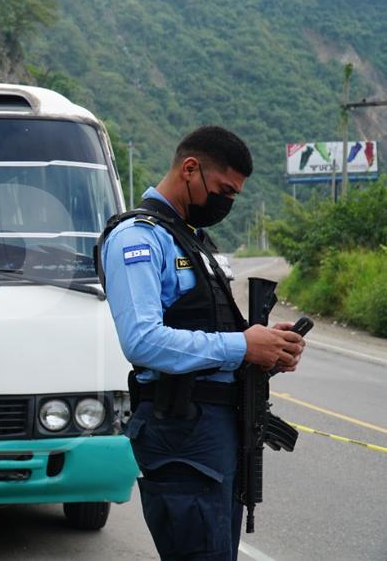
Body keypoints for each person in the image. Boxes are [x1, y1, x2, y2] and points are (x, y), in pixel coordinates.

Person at [97, 126, 305, 560]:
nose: (227, 203)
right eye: (224, 190)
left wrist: (267, 348)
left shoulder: (193, 241)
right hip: (181, 432)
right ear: (190, 169)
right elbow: (142, 341)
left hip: (213, 432)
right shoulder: (138, 238)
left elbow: (210, 330)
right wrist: (242, 346)